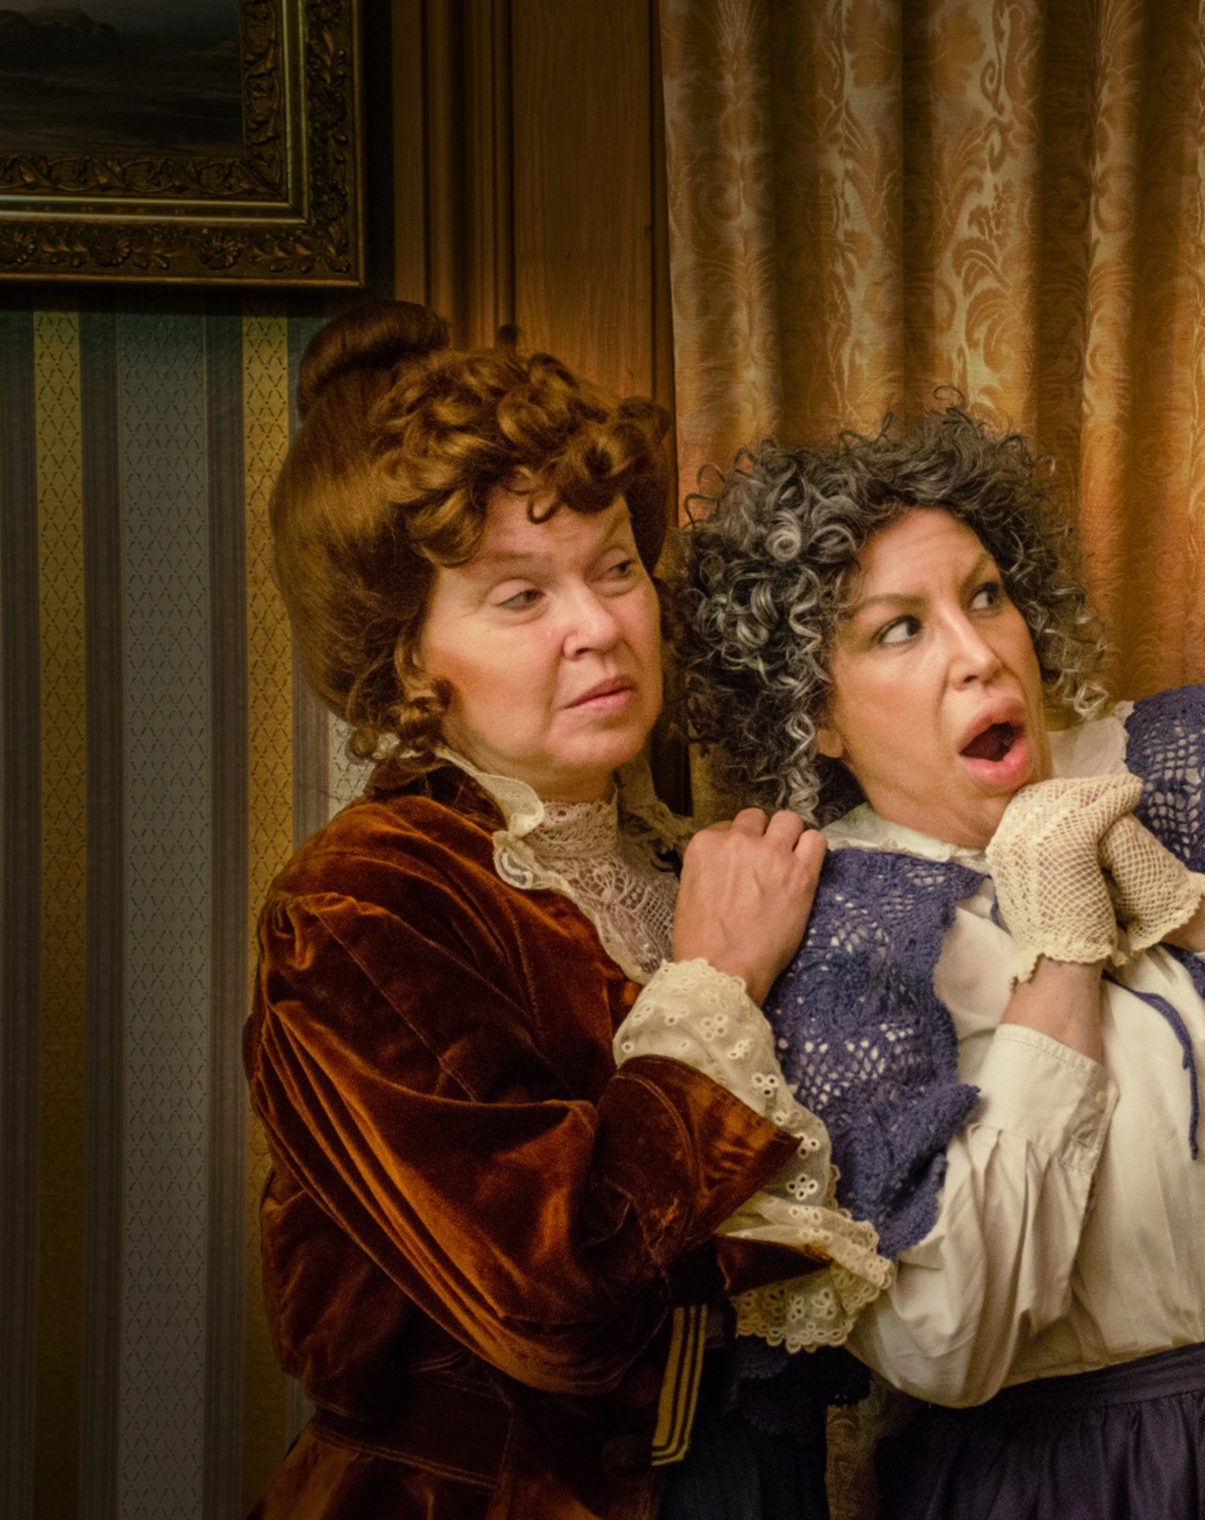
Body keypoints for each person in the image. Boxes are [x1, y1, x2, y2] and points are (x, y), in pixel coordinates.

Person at [628, 403, 1205, 1518]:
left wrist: (1203, 915)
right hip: (1052, 1483)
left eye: (986, 594)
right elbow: (950, 1338)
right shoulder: (836, 927)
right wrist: (1059, 949)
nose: (978, 651)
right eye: (898, 628)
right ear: (817, 717)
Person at [246, 302, 889, 1520]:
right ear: (407, 663)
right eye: (518, 597)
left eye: (615, 568)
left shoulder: (676, 857)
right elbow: (551, 1299)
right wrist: (714, 983)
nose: (599, 626)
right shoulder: (363, 900)